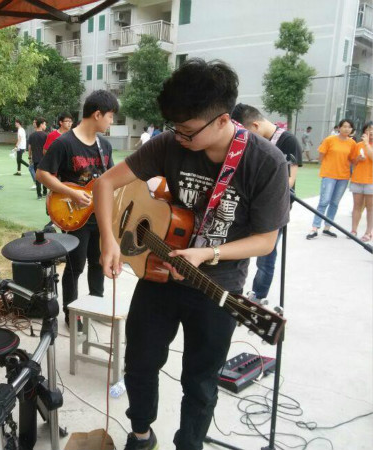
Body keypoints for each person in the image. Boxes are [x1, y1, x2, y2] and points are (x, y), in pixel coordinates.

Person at [93, 58, 290, 450]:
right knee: (140, 363)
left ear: (222, 120)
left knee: (200, 382)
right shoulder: (171, 143)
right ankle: (141, 433)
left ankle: (190, 444)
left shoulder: (267, 163)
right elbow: (103, 185)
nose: (178, 137)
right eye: (174, 127)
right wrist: (109, 240)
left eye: (187, 130)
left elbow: (266, 241)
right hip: (158, 275)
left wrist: (208, 254)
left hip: (218, 287)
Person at [36, 90, 117, 332]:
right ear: (97, 114)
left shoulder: (105, 146)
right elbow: (42, 174)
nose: (112, 121)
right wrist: (71, 193)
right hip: (74, 216)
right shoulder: (64, 143)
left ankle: (96, 306)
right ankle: (71, 313)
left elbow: (110, 180)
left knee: (98, 262)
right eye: (110, 116)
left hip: (99, 215)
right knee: (75, 267)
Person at [231, 103, 301, 303]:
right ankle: (233, 289)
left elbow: (289, 181)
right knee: (238, 246)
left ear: (255, 125)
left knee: (265, 254)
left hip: (273, 207)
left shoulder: (288, 141)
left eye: (246, 133)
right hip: (248, 204)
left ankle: (258, 294)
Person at [307, 119, 358, 240]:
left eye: (349, 127)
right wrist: (328, 167)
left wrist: (359, 159)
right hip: (329, 175)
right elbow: (321, 156)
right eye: (344, 126)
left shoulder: (352, 143)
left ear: (352, 129)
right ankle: (315, 227)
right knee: (324, 201)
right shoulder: (330, 140)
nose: (346, 129)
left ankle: (327, 227)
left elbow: (352, 160)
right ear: (339, 128)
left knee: (334, 203)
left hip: (343, 177)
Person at [349, 121, 373, 241]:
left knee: (370, 208)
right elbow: (353, 162)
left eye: (372, 129)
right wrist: (358, 158)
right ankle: (353, 230)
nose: (371, 132)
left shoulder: (365, 144)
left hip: (371, 181)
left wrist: (367, 144)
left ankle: (368, 232)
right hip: (358, 179)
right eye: (368, 129)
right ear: (364, 131)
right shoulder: (358, 145)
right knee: (356, 206)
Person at [28, 117, 49, 199]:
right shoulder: (46, 135)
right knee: (45, 176)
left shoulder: (32, 135)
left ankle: (39, 194)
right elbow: (48, 148)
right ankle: (45, 192)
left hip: (35, 159)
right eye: (45, 124)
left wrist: (29, 157)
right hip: (44, 159)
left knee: (38, 177)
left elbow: (29, 147)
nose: (45, 126)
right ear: (41, 124)